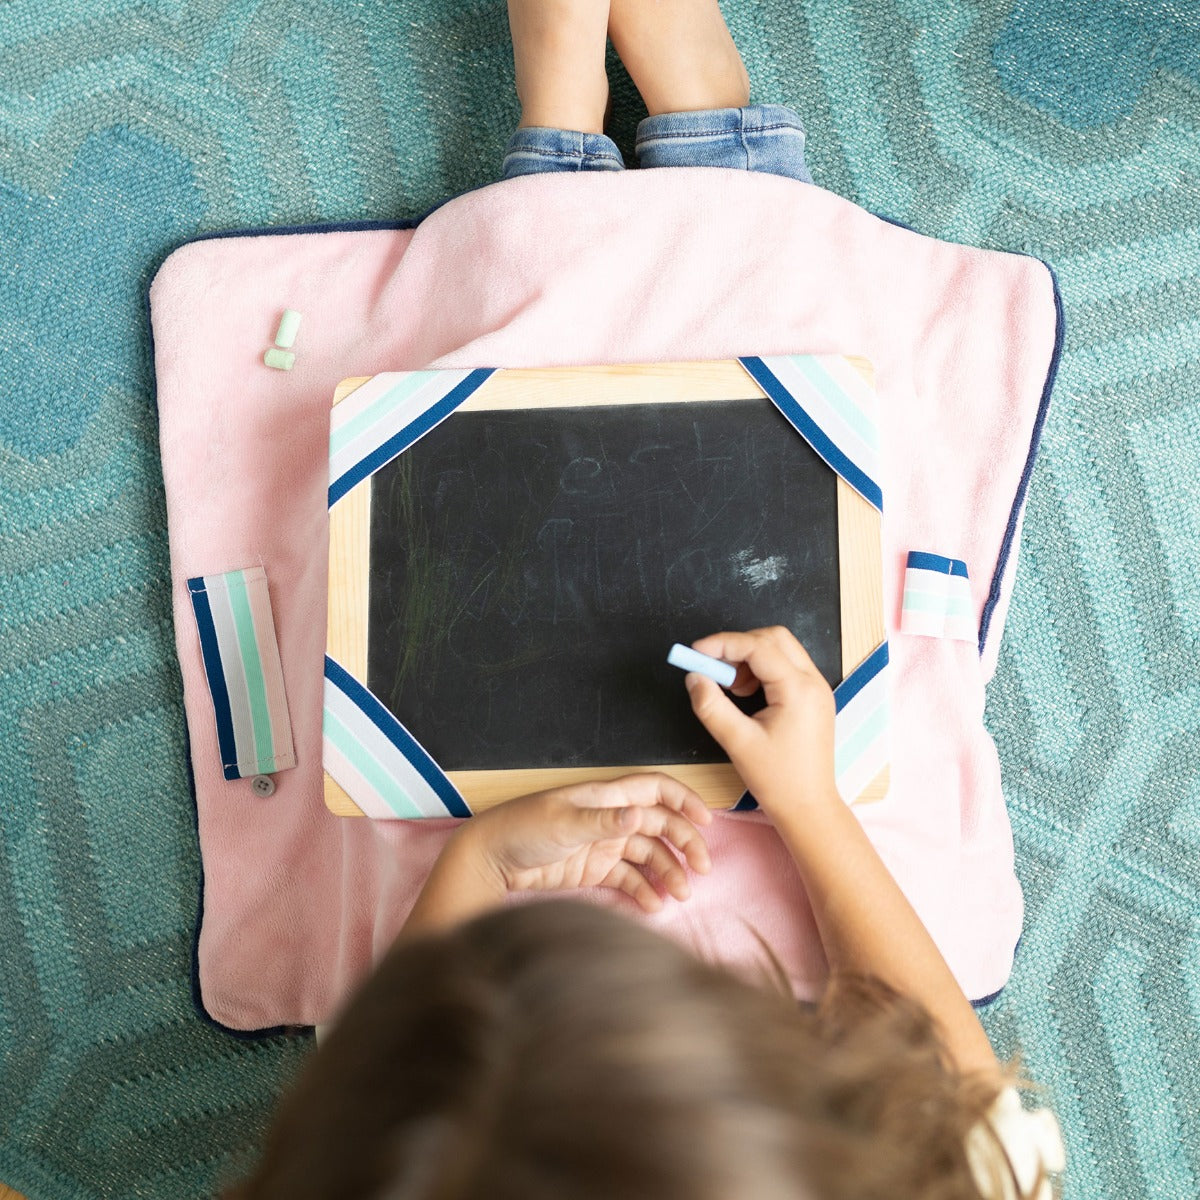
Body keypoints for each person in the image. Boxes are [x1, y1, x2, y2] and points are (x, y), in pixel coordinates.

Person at [229, 3, 1064, 1197]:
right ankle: (708, 143)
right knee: (816, 468)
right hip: (781, 908)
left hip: (500, 927)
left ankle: (557, 152)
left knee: (444, 493)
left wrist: (478, 871)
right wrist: (812, 810)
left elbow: (388, 1069)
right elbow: (964, 1113)